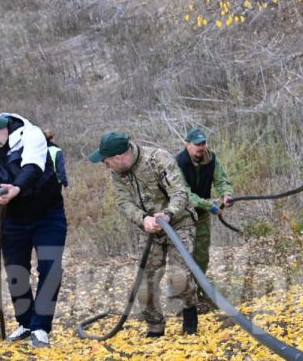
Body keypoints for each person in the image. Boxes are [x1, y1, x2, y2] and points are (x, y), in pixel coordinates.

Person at [0, 104, 68, 348]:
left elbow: (32, 167)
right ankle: (26, 323)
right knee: (16, 272)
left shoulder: (31, 134)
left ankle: (41, 328)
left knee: (50, 268)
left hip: (47, 215)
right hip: (11, 219)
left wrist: (16, 188)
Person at [88, 131, 199, 337]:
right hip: (149, 229)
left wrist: (168, 214)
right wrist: (143, 219)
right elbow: (123, 202)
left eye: (106, 162)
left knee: (178, 278)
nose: (106, 166)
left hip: (179, 223)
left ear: (118, 158)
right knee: (145, 282)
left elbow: (180, 192)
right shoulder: (117, 173)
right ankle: (155, 327)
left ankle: (190, 311)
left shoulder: (158, 159)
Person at [175, 127, 234, 302]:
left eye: (203, 143)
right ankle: (183, 297)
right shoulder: (177, 163)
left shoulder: (211, 159)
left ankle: (201, 292)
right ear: (187, 144)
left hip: (202, 216)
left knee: (201, 255)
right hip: (182, 217)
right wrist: (210, 205)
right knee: (183, 258)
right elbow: (184, 194)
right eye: (197, 144)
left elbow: (221, 180)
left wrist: (227, 194)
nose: (201, 147)